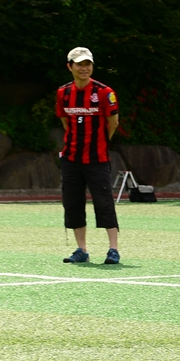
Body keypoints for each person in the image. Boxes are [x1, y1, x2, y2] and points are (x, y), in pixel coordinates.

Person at [55, 46, 121, 264]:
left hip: (97, 159)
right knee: (73, 203)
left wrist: (100, 141)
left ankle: (113, 249)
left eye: (88, 64)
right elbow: (65, 121)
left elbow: (113, 123)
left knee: (104, 202)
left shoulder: (104, 92)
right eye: (79, 64)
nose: (84, 68)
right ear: (70, 66)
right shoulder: (63, 93)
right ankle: (81, 250)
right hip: (71, 159)